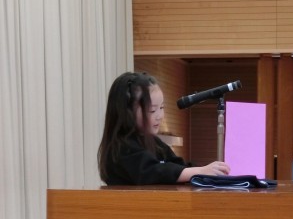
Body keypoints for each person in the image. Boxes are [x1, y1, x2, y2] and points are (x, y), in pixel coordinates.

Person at [98, 71, 230, 185]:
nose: (160, 116)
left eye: (161, 107)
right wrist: (198, 171)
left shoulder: (154, 142)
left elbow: (177, 164)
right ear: (128, 112)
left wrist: (206, 171)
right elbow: (152, 171)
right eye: (152, 110)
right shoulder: (122, 147)